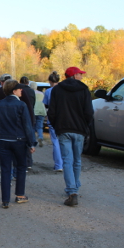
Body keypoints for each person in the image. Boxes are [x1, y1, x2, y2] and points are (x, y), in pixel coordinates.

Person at [48, 67, 94, 207]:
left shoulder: (57, 89)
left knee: (67, 161)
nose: (81, 76)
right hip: (79, 129)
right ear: (74, 76)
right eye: (80, 74)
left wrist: (57, 126)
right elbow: (89, 112)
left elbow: (52, 112)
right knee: (77, 160)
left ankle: (72, 190)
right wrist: (85, 126)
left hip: (64, 129)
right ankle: (75, 187)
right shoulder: (84, 89)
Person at [0, 80, 36, 208]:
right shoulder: (22, 105)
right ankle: (20, 195)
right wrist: (31, 143)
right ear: (14, 90)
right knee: (20, 167)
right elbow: (27, 126)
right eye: (19, 89)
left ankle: (5, 200)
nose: (22, 90)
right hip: (19, 141)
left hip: (3, 140)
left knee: (5, 169)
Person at [42, 71, 63, 172]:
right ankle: (65, 163)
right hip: (63, 118)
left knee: (55, 142)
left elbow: (46, 104)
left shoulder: (48, 91)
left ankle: (58, 164)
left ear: (50, 81)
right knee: (64, 141)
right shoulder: (63, 90)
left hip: (53, 117)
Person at [29, 82, 47, 147]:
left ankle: (34, 140)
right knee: (39, 126)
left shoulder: (30, 93)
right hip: (41, 110)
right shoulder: (42, 93)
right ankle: (40, 137)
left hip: (33, 111)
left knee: (33, 126)